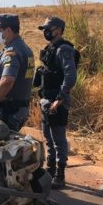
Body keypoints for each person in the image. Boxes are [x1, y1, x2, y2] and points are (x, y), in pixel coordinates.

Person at [35, 16, 79, 189]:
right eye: (45, 28)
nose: (46, 32)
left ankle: (60, 174)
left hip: (57, 101)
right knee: (47, 137)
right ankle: (50, 170)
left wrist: (60, 98)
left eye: (50, 28)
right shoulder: (50, 49)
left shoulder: (64, 49)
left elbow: (70, 76)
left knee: (58, 139)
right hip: (47, 99)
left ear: (59, 30)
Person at [0, 13, 34, 132]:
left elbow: (8, 80)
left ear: (8, 30)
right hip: (19, 108)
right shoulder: (25, 49)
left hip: (8, 110)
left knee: (2, 144)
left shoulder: (12, 52)